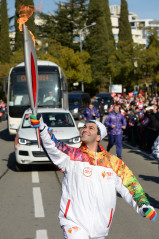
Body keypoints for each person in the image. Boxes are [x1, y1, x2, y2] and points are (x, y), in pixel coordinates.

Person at [30, 114, 157, 239]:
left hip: (100, 229)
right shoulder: (72, 155)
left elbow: (131, 185)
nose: (85, 129)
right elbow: (53, 146)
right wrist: (41, 128)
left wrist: (143, 205)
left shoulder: (113, 163)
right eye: (84, 127)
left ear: (98, 137)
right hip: (74, 223)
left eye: (91, 128)